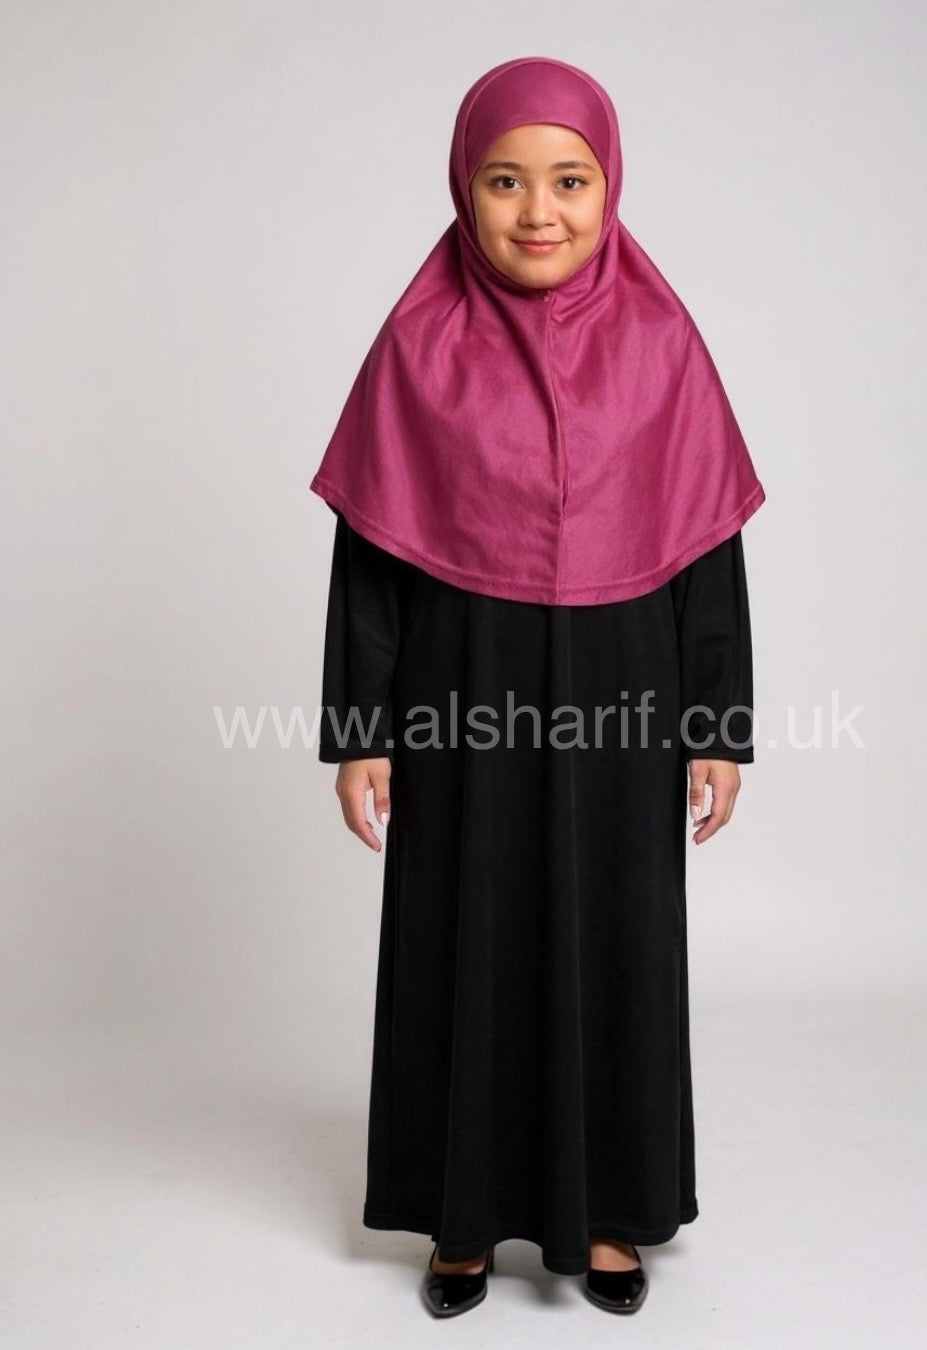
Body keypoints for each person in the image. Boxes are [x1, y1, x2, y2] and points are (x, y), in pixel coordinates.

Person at [310, 55, 765, 1318]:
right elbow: (373, 555)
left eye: (570, 180)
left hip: (628, 699)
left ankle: (611, 1213)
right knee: (463, 931)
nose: (539, 211)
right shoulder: (417, 346)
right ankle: (461, 1216)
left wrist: (719, 726)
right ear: (465, 187)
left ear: (610, 187)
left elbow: (706, 547)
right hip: (458, 696)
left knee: (618, 936)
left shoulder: (663, 345)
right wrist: (360, 730)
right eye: (505, 181)